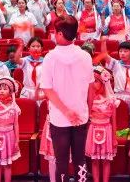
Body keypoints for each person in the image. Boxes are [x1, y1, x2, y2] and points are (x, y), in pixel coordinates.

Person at [39, 16, 93, 182]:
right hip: (80, 116)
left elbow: (47, 89)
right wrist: (88, 113)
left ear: (60, 34)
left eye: (55, 32)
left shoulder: (50, 57)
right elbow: (91, 88)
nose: (54, 35)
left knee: (61, 161)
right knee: (80, 159)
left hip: (60, 117)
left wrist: (66, 112)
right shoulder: (85, 56)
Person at [0, 76, 22, 182]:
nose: (1, 91)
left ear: (11, 91)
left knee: (8, 165)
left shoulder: (14, 107)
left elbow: (16, 124)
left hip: (9, 136)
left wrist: (17, 140)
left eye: (5, 89)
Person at [86, 67, 118, 182]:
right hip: (93, 129)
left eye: (95, 81)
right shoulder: (88, 99)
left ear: (102, 82)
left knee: (106, 160)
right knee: (94, 160)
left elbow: (113, 121)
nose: (92, 84)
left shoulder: (111, 100)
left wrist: (114, 138)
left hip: (107, 129)